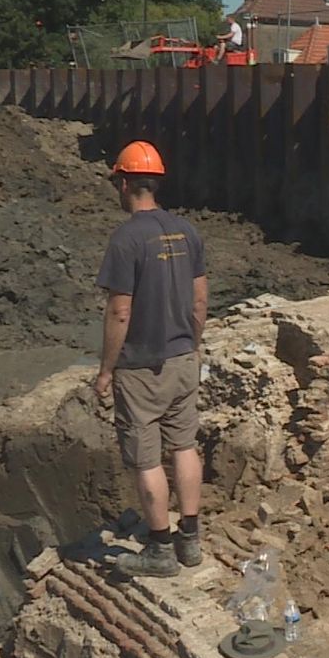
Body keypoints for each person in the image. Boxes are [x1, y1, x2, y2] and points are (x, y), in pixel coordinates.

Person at [94, 141, 208, 578]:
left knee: (146, 458)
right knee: (184, 446)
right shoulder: (187, 230)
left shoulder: (125, 239)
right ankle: (190, 539)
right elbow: (199, 300)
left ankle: (160, 549)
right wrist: (191, 343)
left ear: (124, 184)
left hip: (142, 366)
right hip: (183, 357)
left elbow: (120, 310)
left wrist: (106, 370)